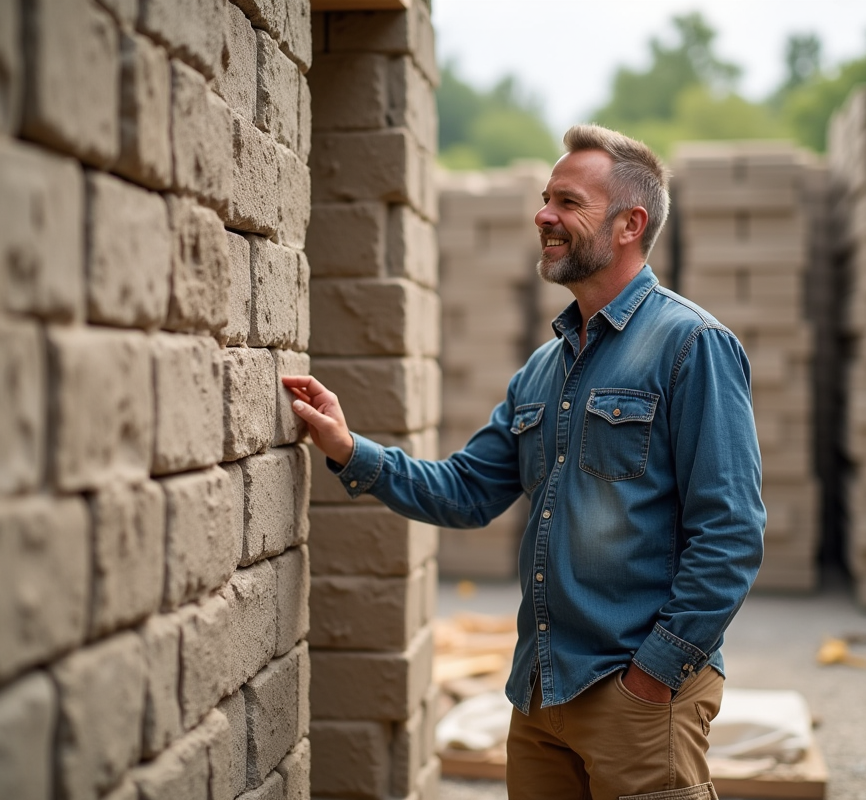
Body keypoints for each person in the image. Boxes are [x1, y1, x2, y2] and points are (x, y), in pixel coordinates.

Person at [285, 124, 765, 800]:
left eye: (568, 202)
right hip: (540, 692)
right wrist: (347, 448)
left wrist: (654, 673)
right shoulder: (543, 370)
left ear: (630, 223)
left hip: (636, 693)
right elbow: (464, 491)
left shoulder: (692, 345)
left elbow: (732, 531)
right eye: (545, 199)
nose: (544, 215)